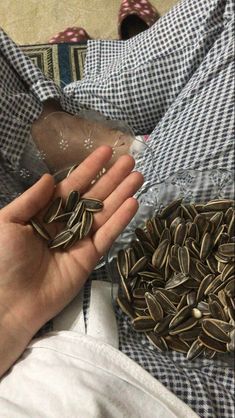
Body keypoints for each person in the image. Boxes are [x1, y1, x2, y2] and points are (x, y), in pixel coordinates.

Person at [0, 0, 234, 417]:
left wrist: (7, 316)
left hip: (25, 321)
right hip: (170, 382)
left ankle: (76, 109)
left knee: (41, 118)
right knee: (224, 14)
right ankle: (100, 94)